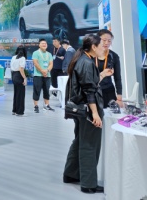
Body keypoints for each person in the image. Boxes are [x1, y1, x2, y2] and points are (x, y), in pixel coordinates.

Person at [63, 34, 104, 194]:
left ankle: (71, 174)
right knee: (89, 144)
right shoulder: (86, 62)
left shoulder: (81, 60)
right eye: (102, 45)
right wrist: (95, 113)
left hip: (80, 109)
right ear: (93, 47)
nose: (104, 48)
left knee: (80, 141)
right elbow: (89, 91)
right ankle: (88, 184)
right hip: (87, 110)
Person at [96, 29, 123, 107]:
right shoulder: (91, 55)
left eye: (109, 41)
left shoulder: (114, 56)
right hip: (93, 91)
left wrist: (119, 97)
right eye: (104, 40)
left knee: (111, 112)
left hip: (109, 91)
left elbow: (117, 77)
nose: (106, 43)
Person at [32, 39, 54, 113]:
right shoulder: (35, 53)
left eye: (45, 43)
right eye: (42, 43)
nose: (44, 44)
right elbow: (35, 63)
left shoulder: (49, 54)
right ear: (39, 45)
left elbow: (51, 64)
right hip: (38, 75)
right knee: (37, 91)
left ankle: (47, 105)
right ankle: (36, 106)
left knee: (47, 91)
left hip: (47, 75)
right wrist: (42, 71)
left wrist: (47, 71)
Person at [11, 46, 27, 116]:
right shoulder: (22, 58)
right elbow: (21, 69)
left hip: (14, 75)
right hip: (19, 75)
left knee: (16, 94)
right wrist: (24, 78)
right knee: (20, 95)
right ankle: (19, 112)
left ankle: (14, 110)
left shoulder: (13, 57)